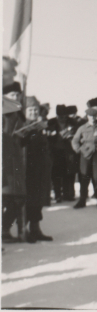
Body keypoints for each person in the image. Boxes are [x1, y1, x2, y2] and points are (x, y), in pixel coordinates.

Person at [19, 96, 53, 243]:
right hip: (27, 171)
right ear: (25, 112)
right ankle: (24, 230)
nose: (33, 112)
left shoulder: (40, 126)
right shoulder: (22, 127)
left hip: (40, 170)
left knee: (38, 201)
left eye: (35, 110)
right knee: (29, 201)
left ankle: (35, 228)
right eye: (30, 110)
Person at [2, 82, 27, 243]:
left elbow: (19, 142)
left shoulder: (18, 115)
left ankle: (4, 230)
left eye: (17, 95)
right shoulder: (3, 113)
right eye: (12, 95)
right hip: (4, 164)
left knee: (17, 199)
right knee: (7, 198)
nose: (16, 97)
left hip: (16, 163)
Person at [71, 107, 97, 208]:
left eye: (95, 116)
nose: (93, 118)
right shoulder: (82, 128)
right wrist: (79, 150)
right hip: (85, 155)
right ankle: (82, 200)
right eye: (91, 116)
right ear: (87, 116)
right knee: (84, 177)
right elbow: (75, 141)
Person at [47, 105, 79, 202]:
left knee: (68, 174)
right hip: (55, 152)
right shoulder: (51, 122)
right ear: (57, 115)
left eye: (65, 116)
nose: (63, 118)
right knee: (56, 174)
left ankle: (68, 194)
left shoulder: (72, 122)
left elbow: (78, 133)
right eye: (61, 116)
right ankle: (57, 195)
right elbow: (47, 136)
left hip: (68, 151)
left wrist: (71, 135)